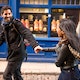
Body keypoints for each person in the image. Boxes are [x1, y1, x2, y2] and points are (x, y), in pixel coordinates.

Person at [0, 5, 42, 80]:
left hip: (18, 53)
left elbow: (26, 33)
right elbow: (1, 39)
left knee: (6, 76)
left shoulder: (16, 23)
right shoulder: (3, 26)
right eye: (5, 14)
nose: (8, 16)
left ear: (12, 14)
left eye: (9, 13)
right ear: (2, 15)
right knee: (16, 74)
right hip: (11, 53)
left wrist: (35, 45)